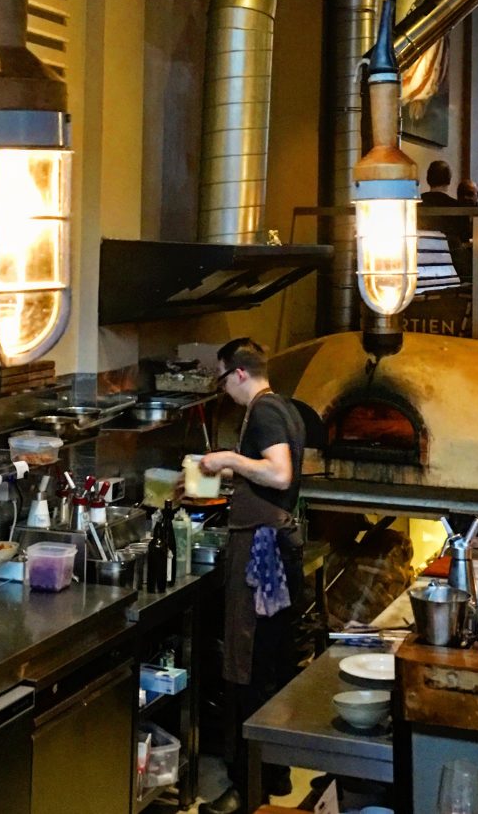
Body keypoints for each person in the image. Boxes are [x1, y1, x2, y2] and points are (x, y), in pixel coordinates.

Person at [198, 338, 305, 814]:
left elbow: (279, 475)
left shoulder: (263, 411)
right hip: (276, 546)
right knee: (271, 667)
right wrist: (227, 475)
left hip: (262, 556)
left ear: (239, 373)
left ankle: (246, 788)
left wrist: (227, 459)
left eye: (222, 379)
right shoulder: (283, 407)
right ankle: (274, 775)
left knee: (248, 666)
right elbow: (269, 474)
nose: (224, 390)